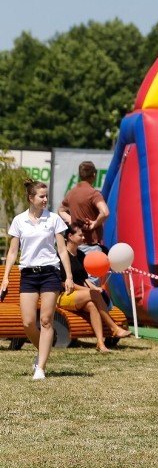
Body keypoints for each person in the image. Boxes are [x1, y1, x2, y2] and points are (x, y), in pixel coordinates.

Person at [1, 179, 75, 380]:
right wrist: (6, 278)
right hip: (28, 274)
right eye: (41, 196)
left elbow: (62, 250)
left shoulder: (53, 219)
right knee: (27, 322)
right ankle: (44, 347)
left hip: (50, 273)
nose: (45, 200)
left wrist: (68, 276)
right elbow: (13, 251)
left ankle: (40, 367)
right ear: (31, 198)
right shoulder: (19, 220)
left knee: (45, 320)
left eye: (46, 196)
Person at [59, 222, 131, 352]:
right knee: (94, 295)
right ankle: (114, 328)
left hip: (80, 295)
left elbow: (84, 279)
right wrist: (90, 291)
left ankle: (100, 344)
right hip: (65, 295)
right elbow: (65, 283)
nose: (83, 238)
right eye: (80, 235)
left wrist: (93, 287)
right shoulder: (62, 256)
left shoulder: (80, 255)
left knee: (92, 304)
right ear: (70, 236)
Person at [58, 161, 109, 254]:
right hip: (91, 246)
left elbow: (61, 210)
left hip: (75, 246)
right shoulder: (93, 194)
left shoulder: (71, 192)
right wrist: (95, 223)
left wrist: (71, 219)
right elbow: (105, 212)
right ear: (94, 174)